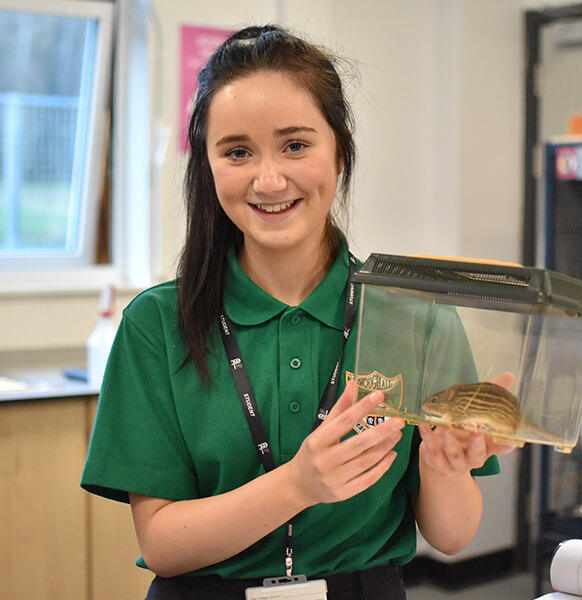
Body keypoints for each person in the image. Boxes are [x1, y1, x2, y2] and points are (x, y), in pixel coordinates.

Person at [81, 24, 515, 600]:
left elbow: (452, 535)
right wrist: (299, 484)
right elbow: (161, 543)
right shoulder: (157, 324)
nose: (268, 179)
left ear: (341, 148)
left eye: (295, 145)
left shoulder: (415, 315)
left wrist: (443, 464)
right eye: (237, 152)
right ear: (208, 166)